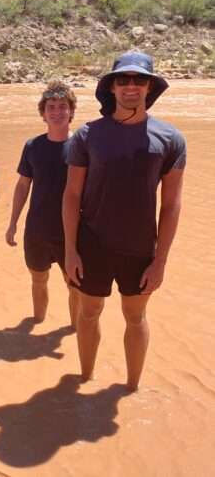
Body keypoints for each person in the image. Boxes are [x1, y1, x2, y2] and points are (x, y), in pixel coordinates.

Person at [62, 51, 186, 391]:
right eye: (123, 80)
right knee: (88, 313)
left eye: (139, 80)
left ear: (150, 87)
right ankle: (85, 379)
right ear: (112, 88)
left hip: (140, 248)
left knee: (135, 317)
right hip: (92, 245)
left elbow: (172, 204)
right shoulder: (87, 135)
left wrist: (160, 262)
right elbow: (72, 195)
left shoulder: (171, 139)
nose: (131, 86)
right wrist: (70, 250)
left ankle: (130, 389)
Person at [6, 80, 79, 328]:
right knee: (38, 281)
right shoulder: (32, 146)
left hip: (72, 233)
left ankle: (75, 332)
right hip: (37, 231)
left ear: (71, 111)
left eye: (62, 106)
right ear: (43, 114)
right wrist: (12, 223)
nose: (57, 112)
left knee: (75, 286)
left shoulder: (83, 145)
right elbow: (23, 186)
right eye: (51, 107)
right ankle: (35, 325)